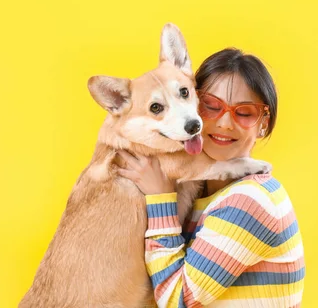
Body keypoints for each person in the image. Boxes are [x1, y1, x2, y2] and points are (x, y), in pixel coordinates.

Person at [117, 48, 305, 307]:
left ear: (263, 123)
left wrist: (160, 198)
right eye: (211, 106)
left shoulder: (251, 201)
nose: (224, 123)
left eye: (244, 112)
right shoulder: (200, 192)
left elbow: (176, 300)